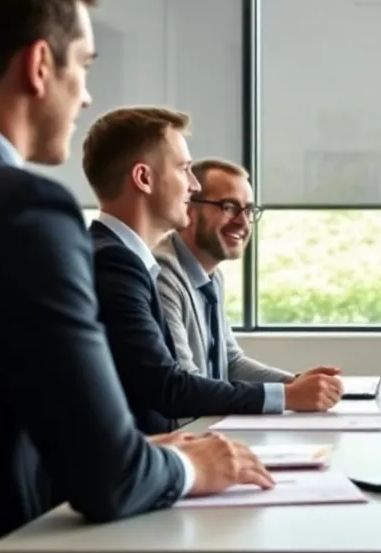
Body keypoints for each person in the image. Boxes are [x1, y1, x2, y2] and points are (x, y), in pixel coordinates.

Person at [0, 0, 335, 553]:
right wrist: (189, 464)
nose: (84, 96)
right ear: (40, 66)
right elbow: (109, 476)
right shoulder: (26, 216)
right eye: (84, 63)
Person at [154, 155, 371, 553]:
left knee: (298, 493)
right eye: (228, 205)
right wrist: (285, 396)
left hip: (208, 436)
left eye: (250, 209)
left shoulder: (207, 276)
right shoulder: (163, 273)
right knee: (282, 505)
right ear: (189, 206)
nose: (242, 220)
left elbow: (229, 360)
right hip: (182, 448)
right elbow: (181, 380)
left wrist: (298, 384)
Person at [81, 108, 344, 435]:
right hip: (143, 470)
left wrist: (293, 387)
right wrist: (287, 395)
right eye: (183, 169)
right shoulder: (115, 264)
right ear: (144, 178)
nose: (192, 187)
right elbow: (167, 387)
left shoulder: (123, 259)